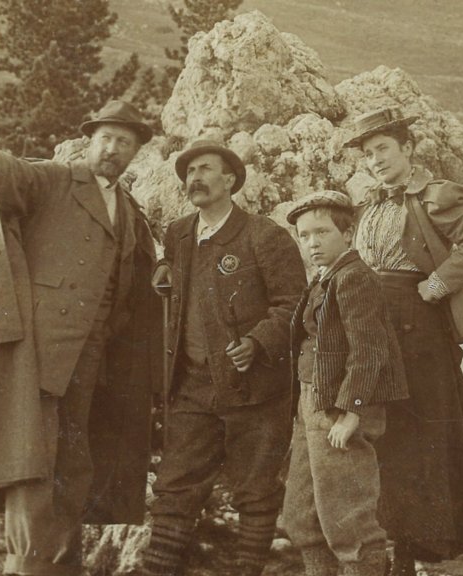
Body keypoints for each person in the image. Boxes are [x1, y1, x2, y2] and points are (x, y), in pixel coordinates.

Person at [0, 100, 161, 576]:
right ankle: (27, 565)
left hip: (90, 359)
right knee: (31, 460)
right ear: (90, 140)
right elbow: (10, 178)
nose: (112, 148)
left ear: (135, 153)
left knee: (72, 462)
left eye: (123, 142)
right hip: (40, 352)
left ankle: (64, 565)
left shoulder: (128, 208)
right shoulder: (56, 179)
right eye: (106, 138)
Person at [139, 140, 307, 576]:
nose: (194, 178)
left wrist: (257, 341)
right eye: (189, 172)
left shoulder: (264, 235)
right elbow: (171, 269)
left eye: (205, 169)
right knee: (174, 488)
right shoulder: (178, 234)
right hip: (192, 386)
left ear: (230, 178)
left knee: (255, 492)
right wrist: (161, 268)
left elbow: (294, 305)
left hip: (256, 390)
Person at [344, 107, 463, 575]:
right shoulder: (367, 204)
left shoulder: (435, 197)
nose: (375, 161)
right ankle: (385, 545)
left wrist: (436, 285)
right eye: (368, 154)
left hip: (420, 329)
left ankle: (413, 550)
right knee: (381, 431)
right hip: (373, 322)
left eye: (383, 149)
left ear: (408, 148)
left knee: (420, 434)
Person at [282, 191, 408, 576]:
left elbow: (369, 350)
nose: (312, 242)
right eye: (304, 235)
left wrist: (352, 413)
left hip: (342, 406)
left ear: (348, 233)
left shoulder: (354, 277)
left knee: (347, 519)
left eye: (321, 232)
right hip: (313, 404)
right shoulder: (325, 277)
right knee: (303, 515)